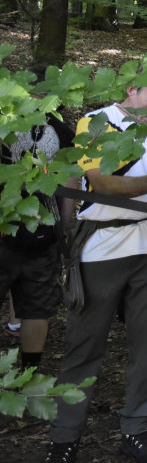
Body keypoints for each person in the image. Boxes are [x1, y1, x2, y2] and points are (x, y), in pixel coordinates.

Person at [47, 66, 147, 463]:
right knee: (84, 347)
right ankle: (64, 438)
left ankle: (136, 429)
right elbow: (102, 183)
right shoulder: (95, 123)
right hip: (100, 247)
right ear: (131, 89)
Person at [1, 67, 75, 370]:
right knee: (36, 309)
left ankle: (27, 372)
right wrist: (65, 226)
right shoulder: (61, 129)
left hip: (14, 228)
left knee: (35, 309)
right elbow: (71, 182)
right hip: (44, 229)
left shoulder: (6, 121)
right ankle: (29, 374)